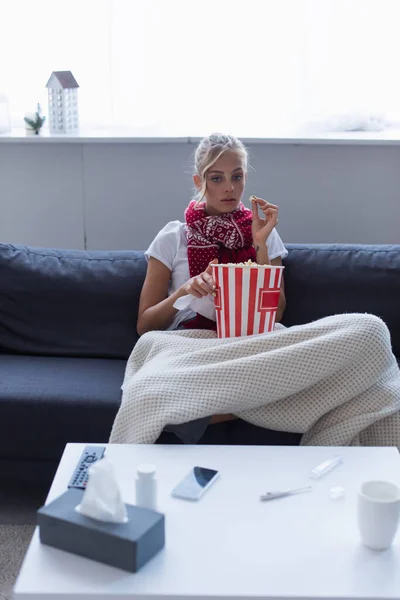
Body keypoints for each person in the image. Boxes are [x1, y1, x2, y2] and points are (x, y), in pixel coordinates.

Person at [137, 132, 302, 445]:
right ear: (200, 181)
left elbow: (276, 312)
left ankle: (198, 410)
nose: (230, 188)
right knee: (159, 375)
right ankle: (262, 402)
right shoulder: (174, 237)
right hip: (193, 343)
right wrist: (185, 290)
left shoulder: (263, 234)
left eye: (236, 176)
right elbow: (145, 325)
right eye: (217, 178)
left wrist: (260, 245)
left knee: (365, 331)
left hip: (250, 341)